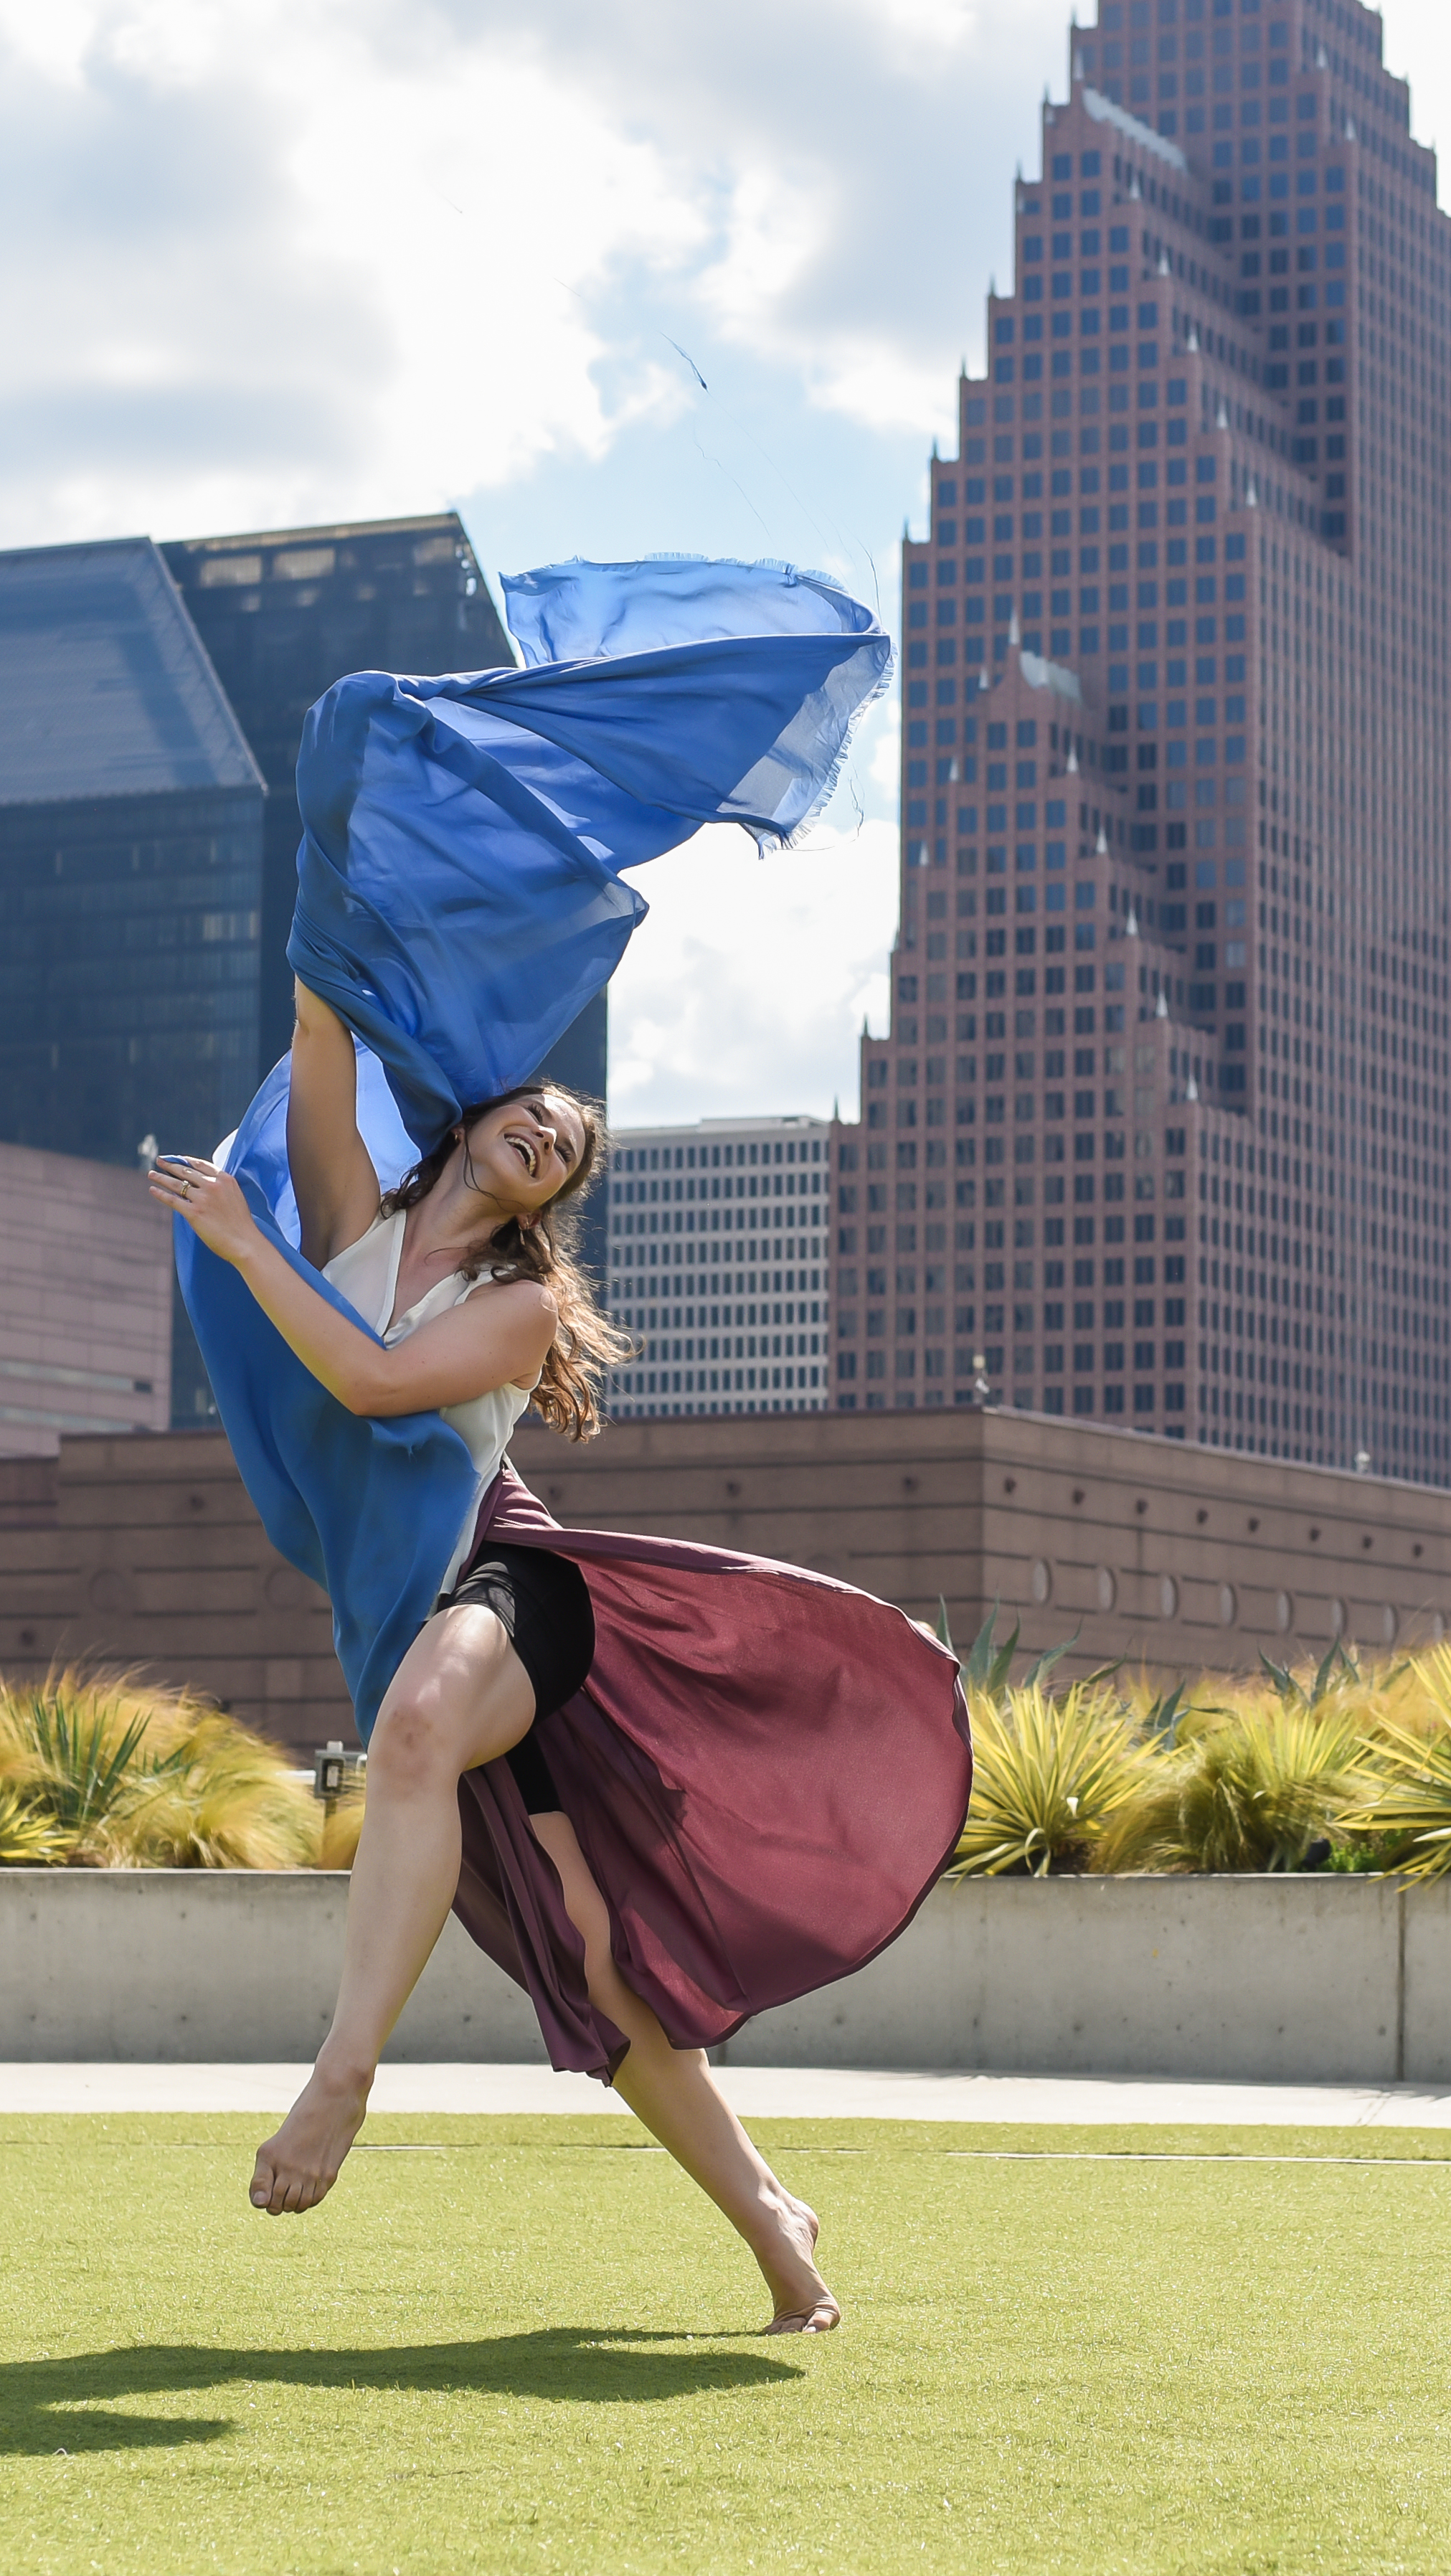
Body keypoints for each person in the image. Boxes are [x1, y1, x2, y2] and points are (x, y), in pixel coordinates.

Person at [158, 555, 964, 2337]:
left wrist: (240, 1246)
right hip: (401, 1618)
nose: (552, 1130)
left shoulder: (516, 1308)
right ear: (481, 1115)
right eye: (538, 1109)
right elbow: (319, 1017)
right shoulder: (358, 1217)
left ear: (555, 1194)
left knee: (416, 1729)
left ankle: (339, 2080)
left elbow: (374, 1386)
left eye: (572, 1143)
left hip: (515, 1591)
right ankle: (777, 2225)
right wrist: (335, 839)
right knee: (596, 1956)